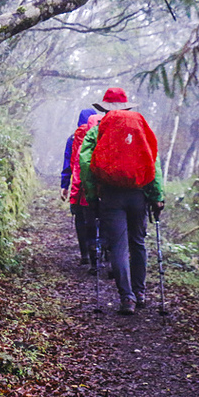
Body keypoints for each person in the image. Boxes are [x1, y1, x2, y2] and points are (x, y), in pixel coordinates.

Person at [78, 88, 164, 314]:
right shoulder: (139, 128)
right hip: (138, 194)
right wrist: (157, 196)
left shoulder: (97, 131)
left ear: (104, 109)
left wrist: (91, 196)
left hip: (111, 195)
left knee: (118, 246)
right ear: (127, 107)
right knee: (138, 243)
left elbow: (85, 163)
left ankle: (127, 298)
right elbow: (153, 162)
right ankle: (140, 292)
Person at [60, 108, 101, 270]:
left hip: (80, 186)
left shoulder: (73, 138)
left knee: (80, 218)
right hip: (101, 187)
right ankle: (103, 253)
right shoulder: (103, 133)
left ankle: (85, 254)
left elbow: (68, 162)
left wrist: (64, 185)